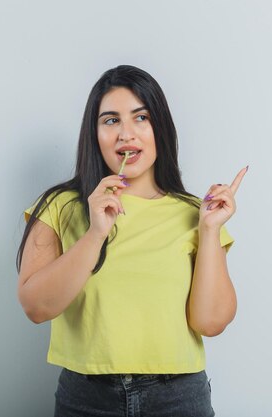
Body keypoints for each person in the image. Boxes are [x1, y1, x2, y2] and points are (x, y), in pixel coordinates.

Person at [15, 64, 248, 417]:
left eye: (141, 118)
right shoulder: (60, 206)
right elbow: (36, 308)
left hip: (178, 398)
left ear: (161, 128)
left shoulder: (194, 213)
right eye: (111, 121)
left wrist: (210, 230)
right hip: (86, 399)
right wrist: (95, 233)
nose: (127, 134)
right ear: (94, 134)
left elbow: (211, 322)